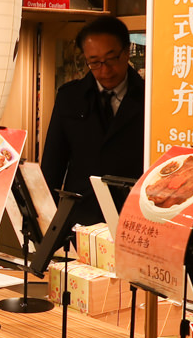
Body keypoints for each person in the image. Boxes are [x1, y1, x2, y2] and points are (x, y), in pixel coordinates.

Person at [41, 16, 145, 228]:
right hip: (81, 218)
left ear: (126, 52)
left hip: (133, 218)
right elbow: (52, 166)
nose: (104, 70)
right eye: (94, 62)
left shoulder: (150, 98)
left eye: (111, 59)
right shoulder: (69, 98)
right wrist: (46, 223)